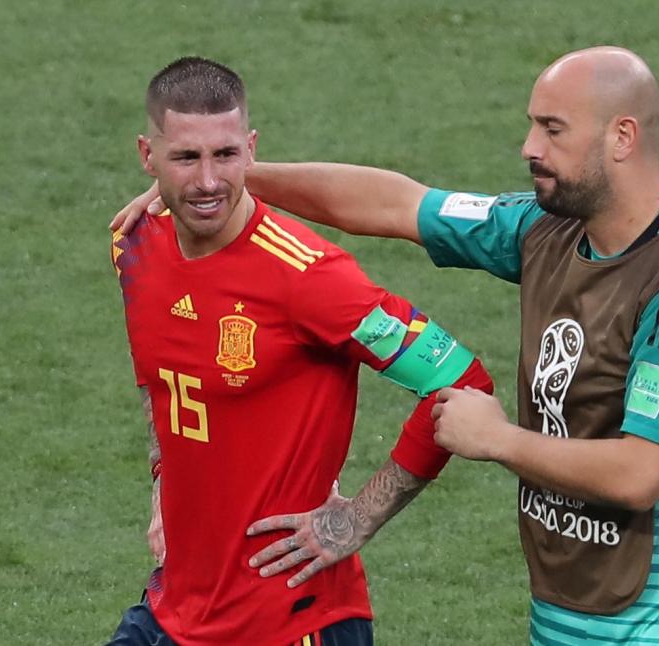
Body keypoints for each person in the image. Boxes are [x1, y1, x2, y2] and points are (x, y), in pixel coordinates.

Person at [114, 47, 659, 645]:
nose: (528, 146)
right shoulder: (541, 232)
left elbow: (639, 474)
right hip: (570, 607)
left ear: (622, 137)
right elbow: (399, 205)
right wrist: (221, 181)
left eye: (551, 129)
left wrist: (496, 439)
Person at [107, 57, 493, 646]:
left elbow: (461, 380)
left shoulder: (312, 280)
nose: (209, 181)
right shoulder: (133, 244)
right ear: (147, 155)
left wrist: (356, 520)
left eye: (226, 155)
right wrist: (164, 477)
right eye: (186, 157)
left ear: (252, 149)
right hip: (174, 609)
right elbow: (156, 374)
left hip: (293, 623)